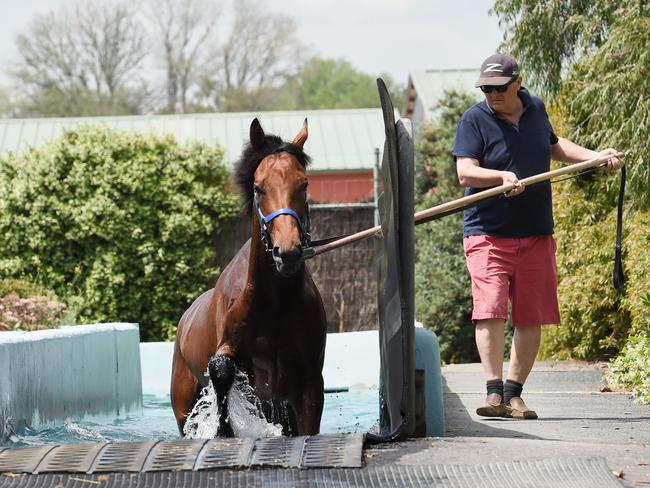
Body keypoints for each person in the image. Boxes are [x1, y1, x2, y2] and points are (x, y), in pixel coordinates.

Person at [452, 53, 623, 419]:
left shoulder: (535, 108)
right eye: (485, 88)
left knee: (531, 315)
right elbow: (465, 172)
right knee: (491, 309)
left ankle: (514, 395)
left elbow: (552, 146)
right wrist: (500, 177)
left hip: (536, 232)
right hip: (488, 232)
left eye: (498, 88)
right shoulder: (474, 119)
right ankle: (493, 393)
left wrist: (595, 156)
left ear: (518, 82)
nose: (491, 94)